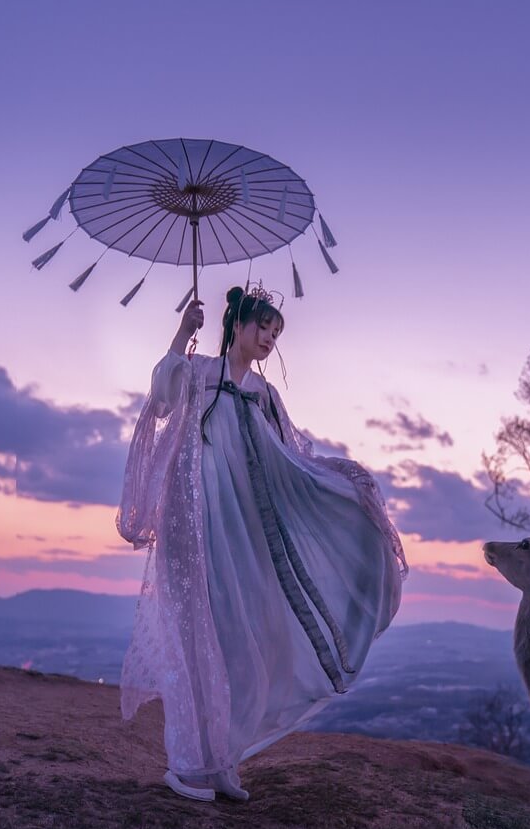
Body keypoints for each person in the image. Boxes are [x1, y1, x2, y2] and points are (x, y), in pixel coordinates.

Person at [117, 285, 407, 802]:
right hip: (196, 520)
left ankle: (223, 756)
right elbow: (161, 399)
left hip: (244, 529)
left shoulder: (265, 395)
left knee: (243, 636)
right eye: (263, 327)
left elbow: (292, 457)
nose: (269, 338)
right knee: (199, 636)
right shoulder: (198, 373)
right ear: (239, 324)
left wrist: (343, 484)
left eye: (276, 332)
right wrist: (184, 331)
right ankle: (189, 764)